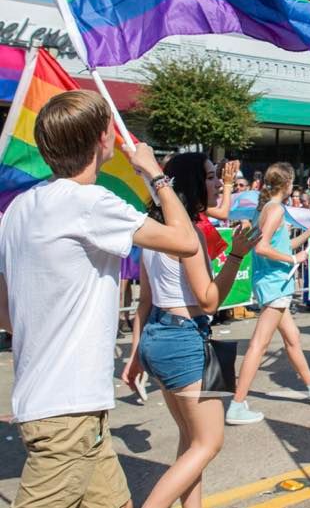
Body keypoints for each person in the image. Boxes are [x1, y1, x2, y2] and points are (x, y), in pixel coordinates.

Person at [0, 90, 199, 508]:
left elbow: (6, 308)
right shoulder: (89, 204)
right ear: (102, 141)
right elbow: (184, 241)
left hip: (64, 405)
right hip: (67, 410)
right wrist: (155, 175)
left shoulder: (19, 208)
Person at [122, 153, 262, 508]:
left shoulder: (156, 229)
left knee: (190, 441)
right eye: (213, 177)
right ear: (193, 183)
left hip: (160, 336)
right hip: (183, 340)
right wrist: (237, 255)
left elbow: (145, 302)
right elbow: (210, 299)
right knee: (208, 443)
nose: (220, 184)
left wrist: (137, 353)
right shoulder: (191, 236)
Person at [226, 162, 310, 425]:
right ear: (286, 185)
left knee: (293, 338)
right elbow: (262, 248)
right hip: (275, 283)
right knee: (259, 345)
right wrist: (293, 258)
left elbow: (279, 243)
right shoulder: (274, 210)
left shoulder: (267, 209)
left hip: (274, 282)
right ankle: (237, 404)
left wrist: (309, 233)